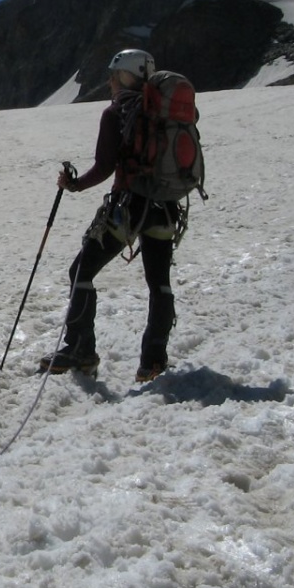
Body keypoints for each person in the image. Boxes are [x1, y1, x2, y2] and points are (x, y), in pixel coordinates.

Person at [40, 49, 180, 382]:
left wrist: (74, 185)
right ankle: (153, 362)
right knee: (159, 282)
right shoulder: (167, 111)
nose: (110, 82)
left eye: (114, 76)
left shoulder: (117, 112)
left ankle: (80, 350)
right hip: (165, 207)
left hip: (129, 208)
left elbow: (104, 166)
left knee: (81, 271)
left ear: (125, 76)